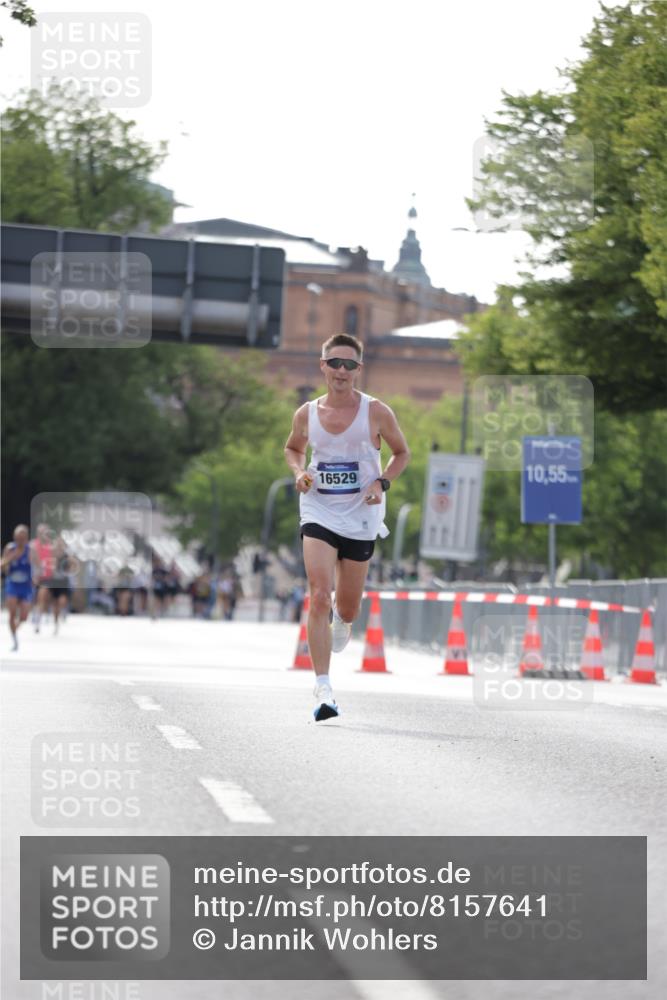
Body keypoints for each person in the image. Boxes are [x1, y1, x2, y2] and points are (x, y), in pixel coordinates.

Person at [284, 333, 410, 721]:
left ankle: (344, 619)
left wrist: (381, 483)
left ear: (358, 370)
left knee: (348, 607)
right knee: (320, 595)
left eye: (349, 365)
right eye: (335, 363)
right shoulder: (306, 413)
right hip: (319, 508)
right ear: (323, 366)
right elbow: (293, 448)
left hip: (361, 514)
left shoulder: (376, 412)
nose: (341, 370)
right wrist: (299, 472)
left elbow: (401, 453)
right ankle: (323, 688)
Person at [1, 524, 39, 651]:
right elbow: (2, 565)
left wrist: (35, 578)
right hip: (12, 584)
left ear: (27, 538)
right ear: (14, 537)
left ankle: (15, 628)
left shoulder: (31, 551)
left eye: (23, 538)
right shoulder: (10, 548)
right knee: (12, 613)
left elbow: (38, 567)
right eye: (18, 538)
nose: (20, 541)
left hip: (26, 585)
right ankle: (14, 639)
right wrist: (10, 559)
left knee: (24, 616)